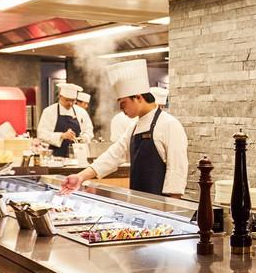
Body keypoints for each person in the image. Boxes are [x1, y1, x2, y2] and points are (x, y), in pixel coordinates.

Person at [62, 59, 188, 197]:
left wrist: (171, 205)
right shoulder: (134, 127)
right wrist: (80, 177)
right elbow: (113, 155)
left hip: (161, 202)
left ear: (138, 98)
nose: (121, 109)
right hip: (138, 200)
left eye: (123, 103)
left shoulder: (169, 124)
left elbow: (177, 170)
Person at [37, 83, 85, 158]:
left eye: (73, 101)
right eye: (67, 100)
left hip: (78, 156)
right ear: (59, 96)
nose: (70, 103)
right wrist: (62, 135)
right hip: (55, 156)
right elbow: (41, 134)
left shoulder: (81, 112)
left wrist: (82, 138)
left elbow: (89, 131)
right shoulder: (49, 111)